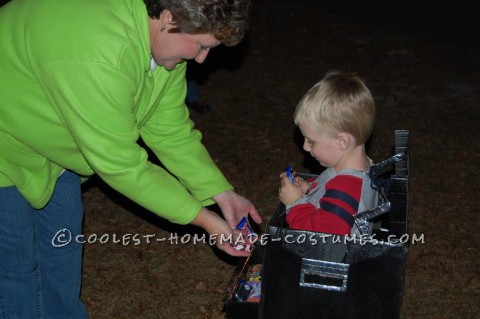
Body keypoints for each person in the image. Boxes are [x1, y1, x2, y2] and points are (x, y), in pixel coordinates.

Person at [0, 0, 260, 318]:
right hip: (5, 142)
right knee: (14, 268)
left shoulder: (161, 46)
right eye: (202, 46)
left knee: (61, 249)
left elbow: (169, 130)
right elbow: (123, 165)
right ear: (168, 18)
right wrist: (205, 220)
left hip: (51, 146)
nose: (202, 59)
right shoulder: (99, 51)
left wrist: (221, 192)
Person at [279, 70, 378, 236]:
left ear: (342, 141)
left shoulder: (347, 188)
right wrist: (308, 189)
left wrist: (295, 203)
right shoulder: (350, 170)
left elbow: (321, 238)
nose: (305, 147)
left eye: (311, 141)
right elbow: (328, 196)